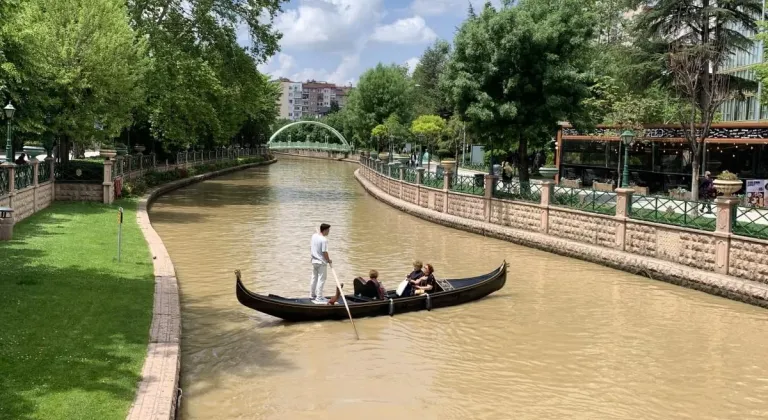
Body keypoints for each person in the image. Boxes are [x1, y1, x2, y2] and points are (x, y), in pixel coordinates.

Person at [310, 223, 332, 304]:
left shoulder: (314, 236)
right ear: (325, 230)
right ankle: (319, 297)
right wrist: (329, 260)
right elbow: (325, 252)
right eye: (328, 230)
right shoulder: (324, 240)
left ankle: (312, 295)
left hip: (314, 261)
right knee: (321, 279)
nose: (329, 232)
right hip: (321, 262)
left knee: (314, 278)